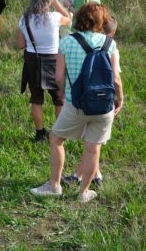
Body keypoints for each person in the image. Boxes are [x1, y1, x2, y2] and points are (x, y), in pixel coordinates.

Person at [31, 2, 124, 204]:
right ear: (103, 22)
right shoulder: (110, 44)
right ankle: (84, 192)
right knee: (93, 148)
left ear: (80, 18)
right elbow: (116, 79)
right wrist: (119, 99)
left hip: (76, 104)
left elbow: (58, 76)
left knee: (56, 139)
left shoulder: (67, 42)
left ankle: (55, 185)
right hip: (104, 106)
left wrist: (64, 95)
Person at [61, 15, 119, 188]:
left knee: (90, 143)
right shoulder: (110, 48)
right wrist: (119, 99)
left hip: (79, 100)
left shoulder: (74, 42)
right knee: (94, 143)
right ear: (112, 32)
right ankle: (90, 176)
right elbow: (116, 79)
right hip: (103, 102)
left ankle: (85, 174)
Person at [17, 0, 72, 141]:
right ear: (48, 2)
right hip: (52, 61)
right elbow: (68, 20)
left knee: (36, 99)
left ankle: (40, 133)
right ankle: (60, 132)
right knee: (59, 98)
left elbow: (20, 45)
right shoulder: (55, 18)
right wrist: (56, 2)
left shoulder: (24, 18)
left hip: (32, 61)